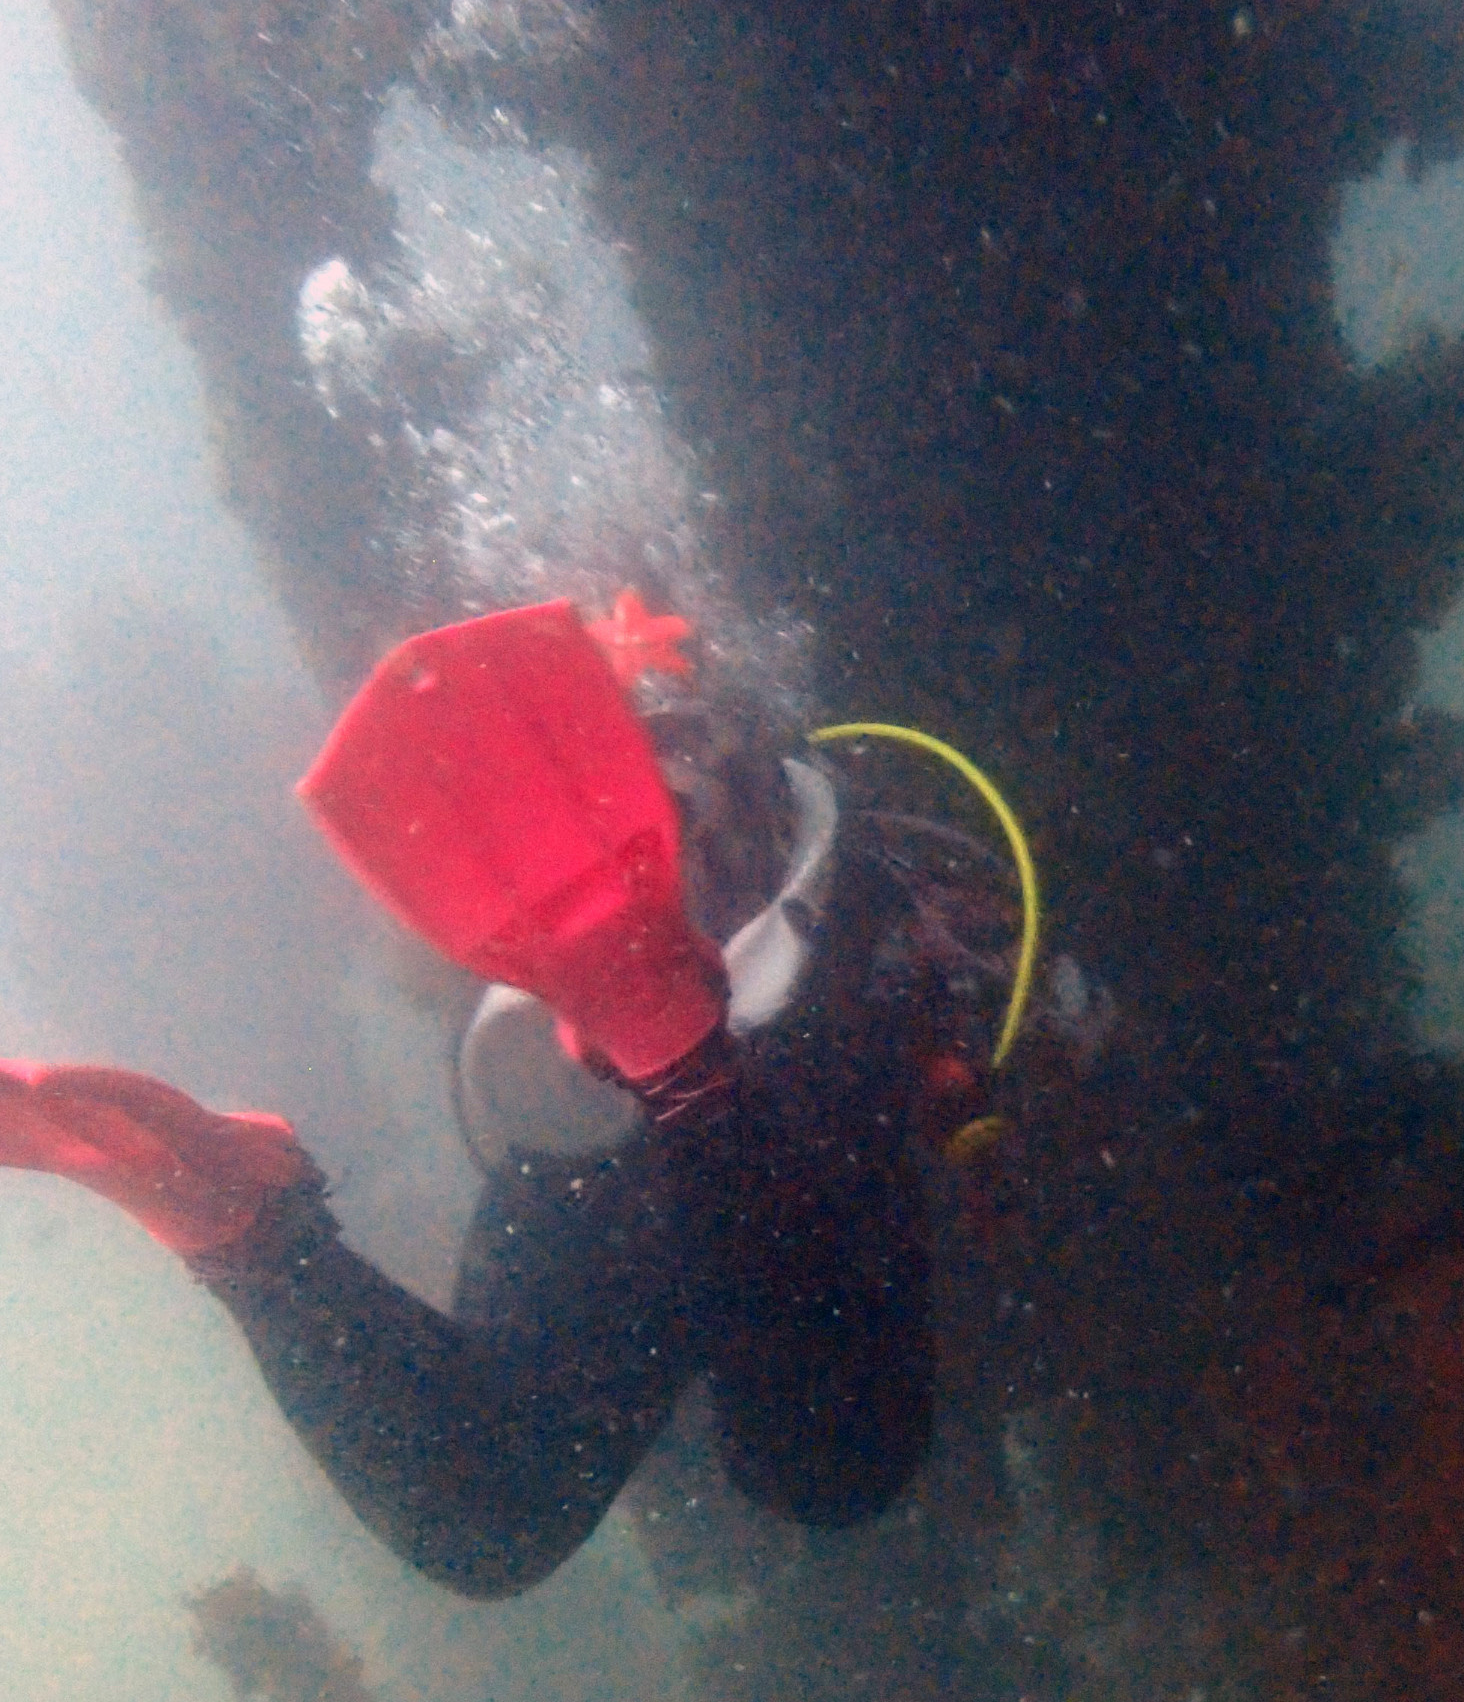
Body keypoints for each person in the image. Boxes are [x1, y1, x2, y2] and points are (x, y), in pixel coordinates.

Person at [0, 594, 1018, 1596]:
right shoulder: (850, 900)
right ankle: (264, 1226)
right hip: (714, 1136)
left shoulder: (857, 934)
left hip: (669, 1142)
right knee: (778, 1475)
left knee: (532, 1506)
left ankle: (246, 1235)